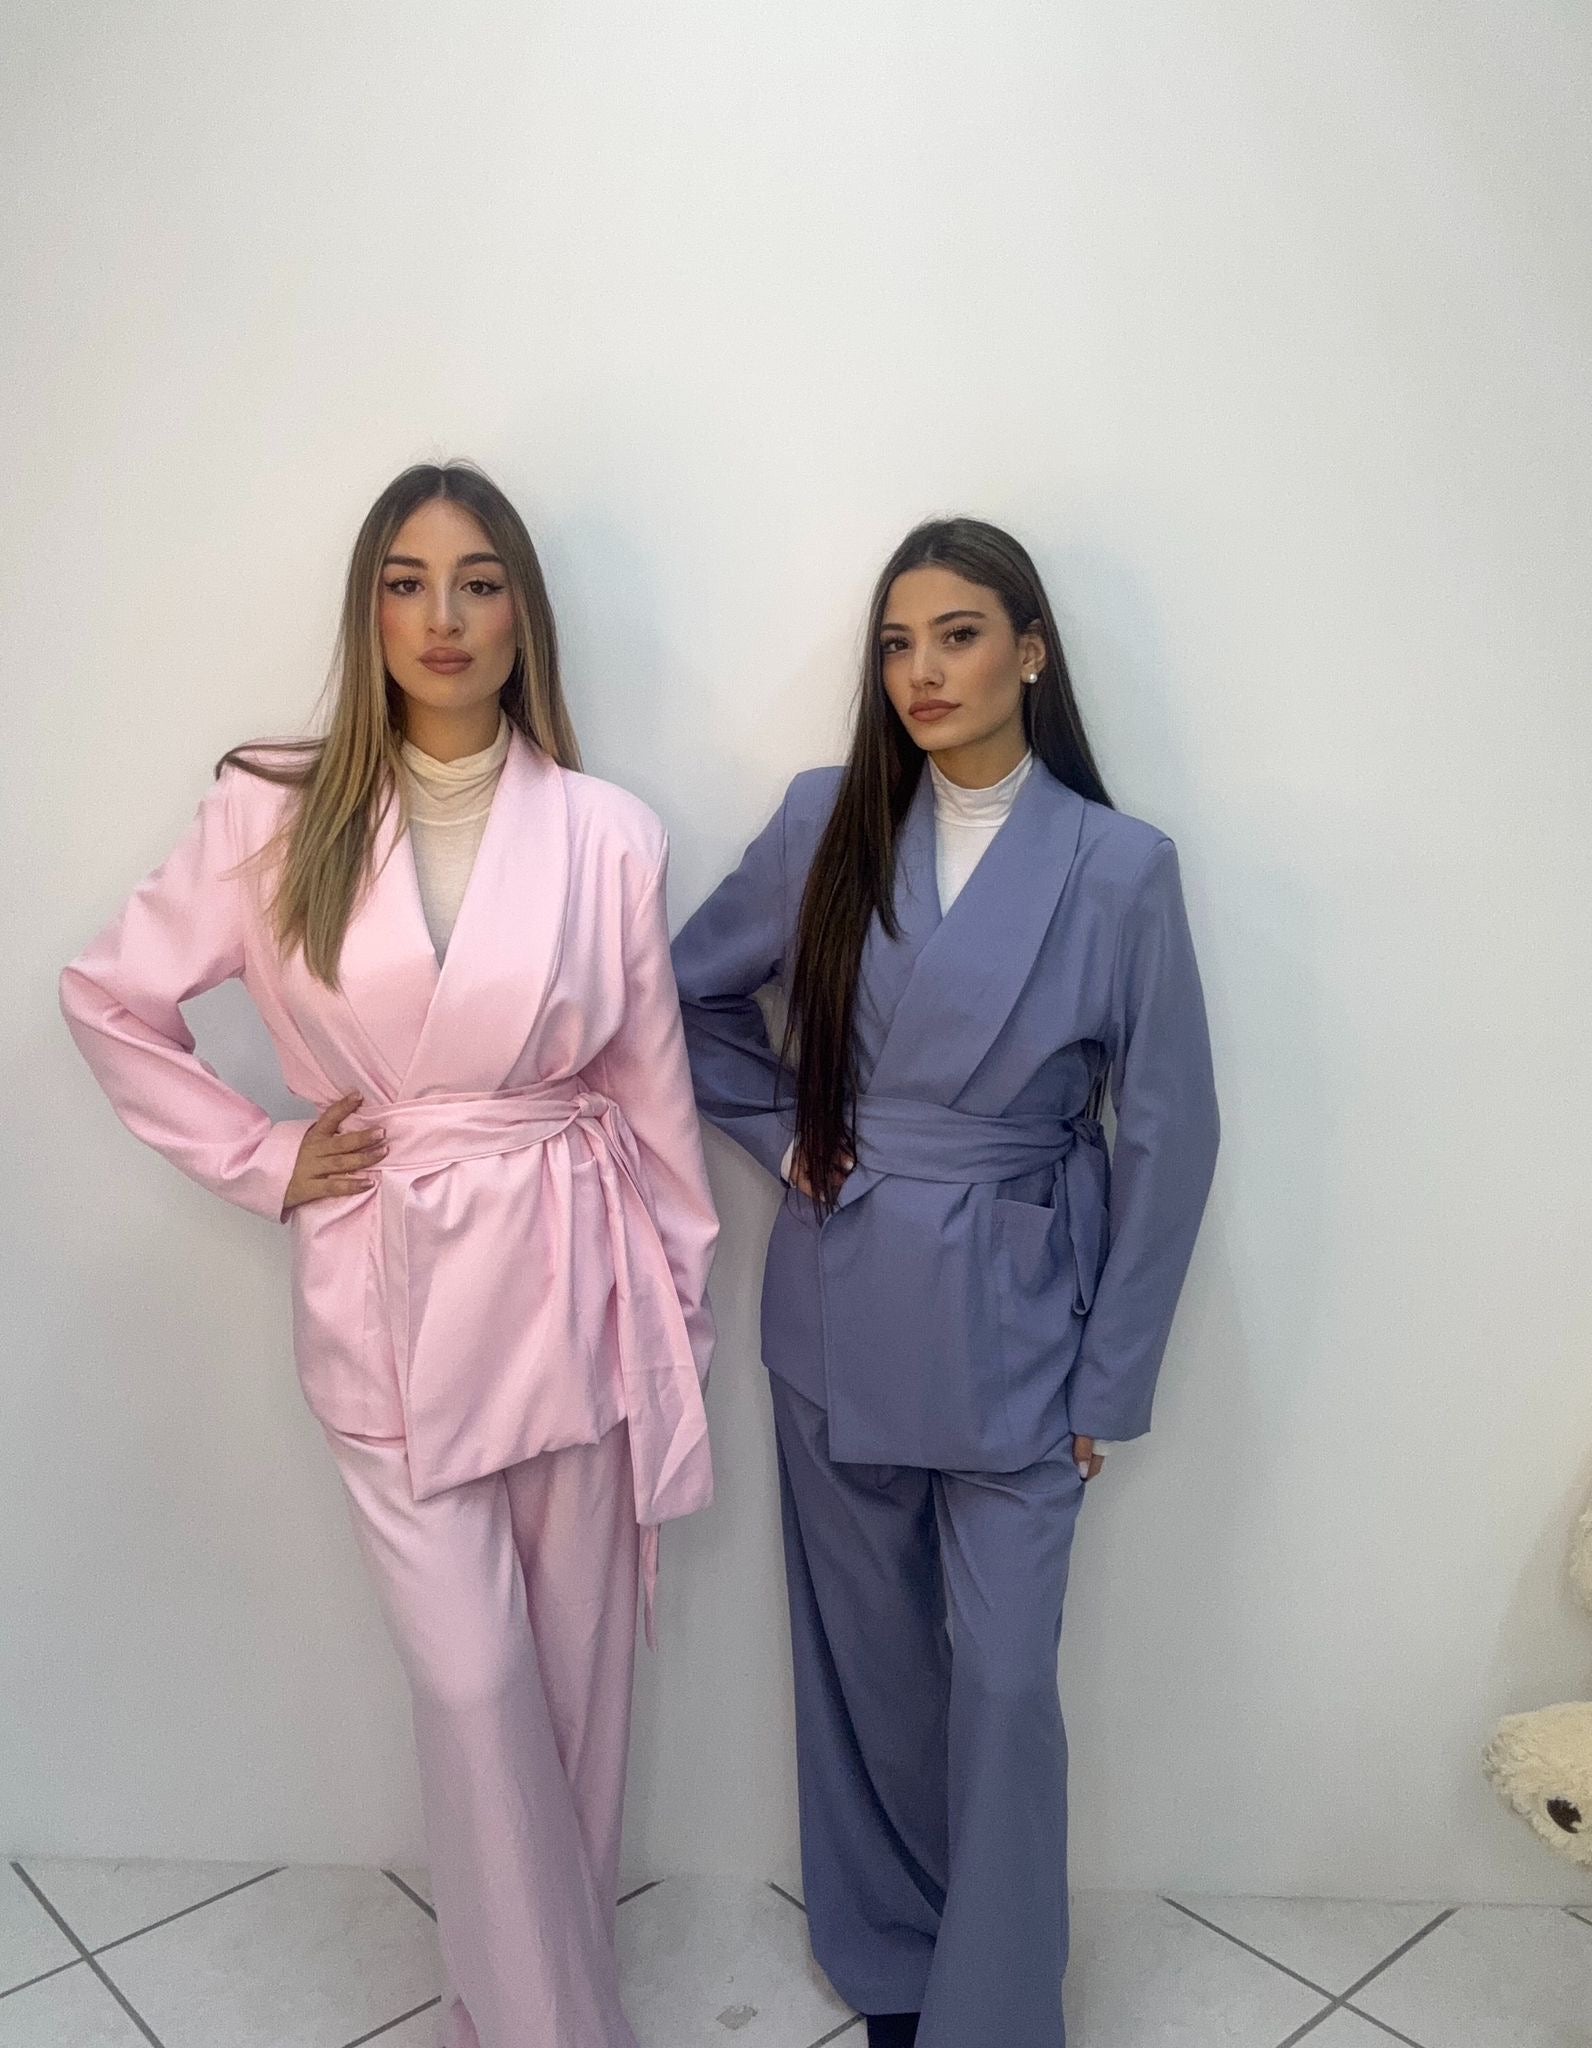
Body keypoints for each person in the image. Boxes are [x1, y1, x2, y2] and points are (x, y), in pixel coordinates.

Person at [60, 460, 717, 2048]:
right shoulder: (271, 813)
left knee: (575, 1695)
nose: (444, 615)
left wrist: (679, 1322)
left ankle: (526, 2007)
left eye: (479, 582)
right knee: (477, 1685)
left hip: (571, 1283)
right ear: (368, 612)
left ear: (523, 615)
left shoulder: (608, 834)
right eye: (407, 582)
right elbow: (109, 998)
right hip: (386, 1287)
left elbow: (652, 1096)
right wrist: (267, 1156)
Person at [671, 517, 1219, 2048]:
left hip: (1023, 1318)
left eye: (959, 634)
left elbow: (1170, 1130)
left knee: (1005, 1680)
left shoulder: (1119, 868)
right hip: (838, 1304)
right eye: (898, 643)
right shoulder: (826, 820)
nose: (922, 669)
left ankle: (997, 1999)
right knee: (873, 1674)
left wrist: (1113, 1376)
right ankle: (898, 1962)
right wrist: (785, 1138)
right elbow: (684, 994)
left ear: (1031, 650)